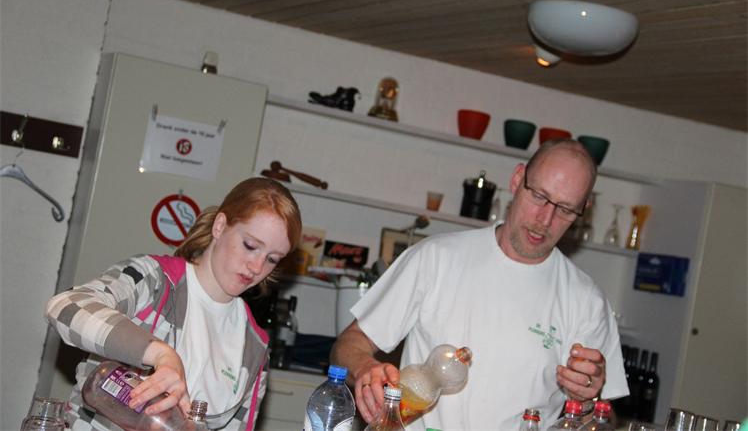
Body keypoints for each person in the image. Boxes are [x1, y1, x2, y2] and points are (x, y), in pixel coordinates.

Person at [331, 139, 628, 430]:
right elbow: (349, 344)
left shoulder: (587, 301)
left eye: (565, 209)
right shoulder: (436, 257)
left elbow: (607, 420)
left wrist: (587, 400)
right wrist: (364, 368)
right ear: (517, 179)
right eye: (539, 196)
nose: (545, 219)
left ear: (584, 209)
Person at [46, 177, 301, 430]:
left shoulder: (255, 347)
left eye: (272, 259)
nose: (257, 267)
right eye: (250, 245)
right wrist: (161, 354)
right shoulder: (154, 280)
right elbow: (65, 307)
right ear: (220, 226)